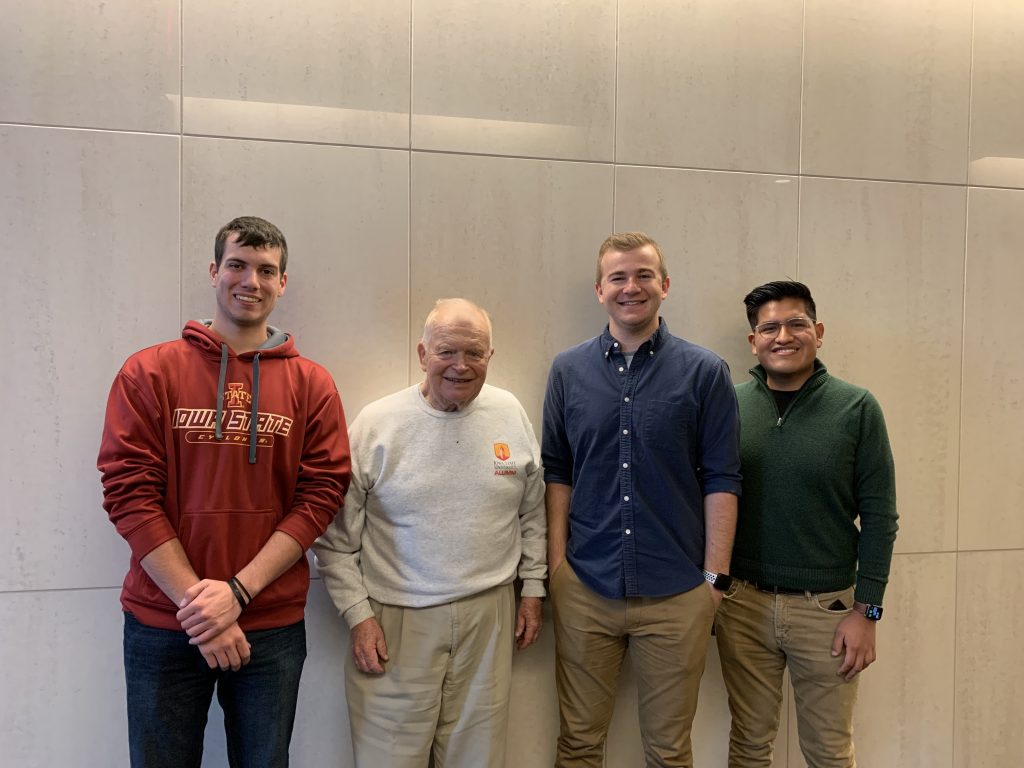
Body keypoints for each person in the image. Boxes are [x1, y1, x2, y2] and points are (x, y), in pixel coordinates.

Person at [97, 216, 351, 768]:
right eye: (237, 265)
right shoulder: (149, 372)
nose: (250, 281)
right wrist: (201, 606)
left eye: (266, 270)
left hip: (270, 624)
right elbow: (127, 491)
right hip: (165, 620)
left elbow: (321, 495)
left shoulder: (313, 385)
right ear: (214, 272)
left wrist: (237, 593)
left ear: (283, 283)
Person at [313, 298, 547, 768]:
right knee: (390, 758)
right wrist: (358, 616)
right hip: (396, 620)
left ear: (490, 357)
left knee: (477, 758)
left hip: (490, 615)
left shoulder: (509, 412)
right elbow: (334, 541)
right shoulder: (378, 424)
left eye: (474, 353)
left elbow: (532, 512)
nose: (461, 365)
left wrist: (534, 590)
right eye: (446, 352)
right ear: (422, 354)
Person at [542, 232, 742, 767]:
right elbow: (558, 471)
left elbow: (723, 478)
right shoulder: (567, 370)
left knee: (669, 750)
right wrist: (557, 567)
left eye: (644, 275)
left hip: (678, 593)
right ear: (600, 290)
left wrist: (715, 581)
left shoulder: (705, 373)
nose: (631, 287)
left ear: (665, 285)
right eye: (618, 277)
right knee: (579, 743)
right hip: (586, 586)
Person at [715, 280, 898, 768]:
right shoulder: (729, 405)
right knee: (748, 746)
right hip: (743, 606)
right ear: (753, 342)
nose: (783, 336)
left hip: (830, 612)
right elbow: (707, 501)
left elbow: (881, 516)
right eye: (769, 327)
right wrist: (713, 586)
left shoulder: (857, 408)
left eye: (796, 324)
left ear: (817, 331)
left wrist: (869, 612)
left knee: (829, 752)